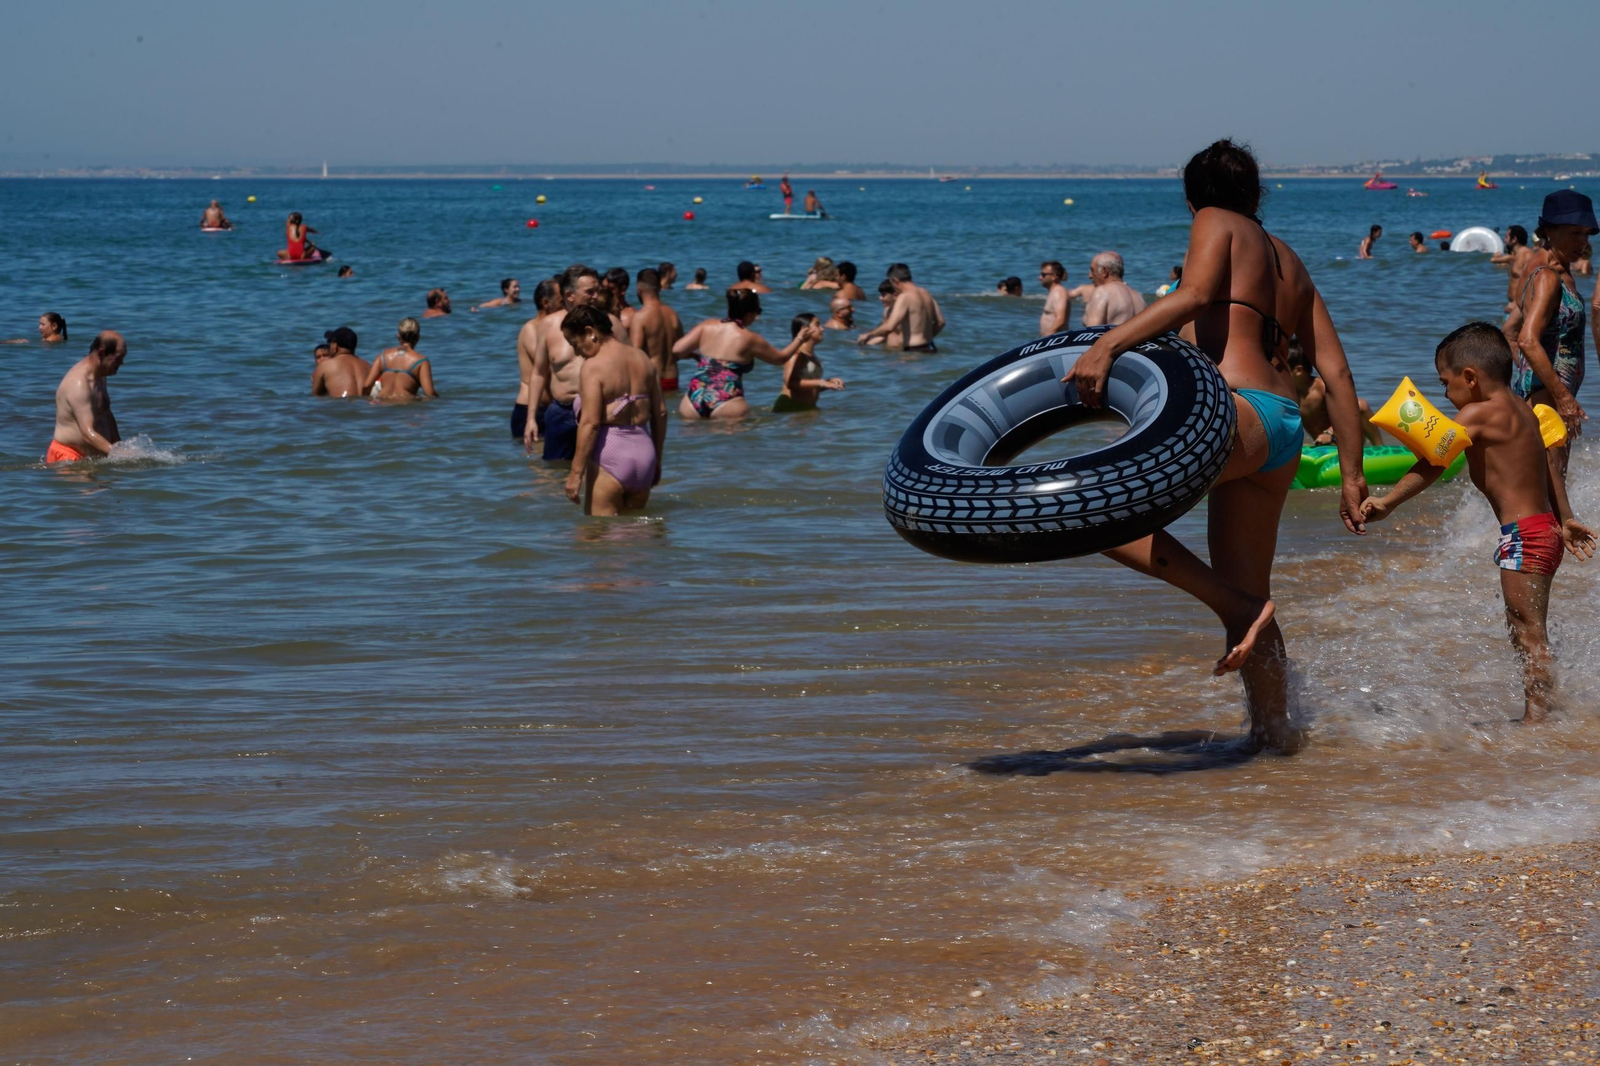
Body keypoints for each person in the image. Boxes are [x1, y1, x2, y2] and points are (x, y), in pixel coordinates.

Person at [1062, 138, 1369, 753]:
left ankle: (1235, 608)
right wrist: (1352, 475)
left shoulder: (1214, 221)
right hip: (1280, 427)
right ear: (1257, 192)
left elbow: (1196, 296)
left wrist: (1106, 346)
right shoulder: (1290, 261)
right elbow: (1336, 373)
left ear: (1191, 195)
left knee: (1087, 507)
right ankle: (1274, 736)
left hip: (1236, 412)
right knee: (1252, 590)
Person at [1360, 323, 1595, 722]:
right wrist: (1566, 519)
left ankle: (1538, 720)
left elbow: (1434, 462)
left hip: (1525, 536)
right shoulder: (1524, 409)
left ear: (1470, 378)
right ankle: (1547, 710)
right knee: (1527, 628)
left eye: (1445, 384)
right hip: (1545, 531)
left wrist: (1388, 502)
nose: (1444, 395)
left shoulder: (1478, 414)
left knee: (1527, 632)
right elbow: (1550, 467)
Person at [1514, 190, 1595, 477]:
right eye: (1574, 233)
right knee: (1552, 481)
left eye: (1587, 233)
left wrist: (1523, 376)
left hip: (1546, 392)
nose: (1583, 242)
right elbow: (1526, 339)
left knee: (1549, 483)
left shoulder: (1558, 271)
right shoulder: (1547, 275)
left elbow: (1510, 329)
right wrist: (1559, 396)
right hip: (1548, 397)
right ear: (1548, 230)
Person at [562, 305, 667, 516]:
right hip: (645, 454)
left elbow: (590, 424)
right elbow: (661, 413)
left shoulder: (594, 366)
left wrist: (575, 473)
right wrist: (656, 460)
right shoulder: (643, 359)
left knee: (597, 539)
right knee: (634, 540)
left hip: (611, 456)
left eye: (575, 343)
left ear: (590, 332)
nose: (576, 352)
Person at [672, 288, 816, 419]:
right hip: (726, 400)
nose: (757, 317)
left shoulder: (706, 325)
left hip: (693, 398)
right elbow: (780, 358)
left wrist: (697, 356)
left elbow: (677, 350)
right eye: (757, 312)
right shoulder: (749, 338)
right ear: (748, 313)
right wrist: (799, 338)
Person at [526, 264, 622, 459]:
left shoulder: (610, 323)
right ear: (570, 295)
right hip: (562, 412)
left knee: (600, 472)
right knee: (554, 474)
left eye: (597, 291)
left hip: (600, 410)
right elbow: (538, 373)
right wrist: (531, 419)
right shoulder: (548, 325)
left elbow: (631, 364)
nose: (596, 296)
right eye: (590, 292)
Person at [47, 332, 126, 463]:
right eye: (118, 358)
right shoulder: (79, 384)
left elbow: (106, 413)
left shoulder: (100, 375)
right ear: (101, 353)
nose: (122, 363)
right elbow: (87, 434)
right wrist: (119, 454)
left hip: (90, 457)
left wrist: (119, 445)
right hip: (68, 457)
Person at [1287, 338, 1380, 446]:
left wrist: (1329, 433)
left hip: (1341, 440)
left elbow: (1349, 411)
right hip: (1319, 445)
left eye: (1282, 368)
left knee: (1360, 405)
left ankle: (1379, 447)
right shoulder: (1288, 393)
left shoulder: (1323, 387)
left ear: (1298, 370)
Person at [512, 279, 564, 441]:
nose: (564, 307)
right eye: (561, 302)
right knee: (536, 463)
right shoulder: (531, 329)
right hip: (530, 410)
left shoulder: (553, 330)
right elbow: (546, 365)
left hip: (549, 410)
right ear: (546, 303)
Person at [859, 263, 943, 352]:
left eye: (892, 283)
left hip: (914, 351)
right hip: (931, 347)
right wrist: (927, 339)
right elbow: (941, 322)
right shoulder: (926, 293)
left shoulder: (904, 297)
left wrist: (869, 334)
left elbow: (889, 326)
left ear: (895, 281)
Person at [773, 312, 845, 413]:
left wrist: (830, 382)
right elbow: (790, 383)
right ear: (804, 329)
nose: (822, 329)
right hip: (790, 408)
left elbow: (808, 387)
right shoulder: (797, 354)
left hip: (806, 409)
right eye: (817, 324)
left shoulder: (812, 356)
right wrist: (822, 382)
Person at [629, 267, 684, 390]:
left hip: (652, 379)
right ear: (659, 288)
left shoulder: (639, 317)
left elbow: (636, 355)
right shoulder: (672, 314)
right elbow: (682, 349)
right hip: (672, 378)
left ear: (639, 289)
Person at [361, 317, 438, 400]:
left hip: (382, 408)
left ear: (398, 336)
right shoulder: (421, 361)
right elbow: (429, 394)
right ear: (418, 338)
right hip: (406, 409)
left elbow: (366, 386)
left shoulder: (382, 356)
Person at [1079, 251, 1147, 327]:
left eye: (1092, 270)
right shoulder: (1139, 297)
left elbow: (1092, 333)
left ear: (1104, 271)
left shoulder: (1102, 292)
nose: (1090, 276)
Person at [311, 326, 371, 398]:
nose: (329, 345)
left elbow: (315, 396)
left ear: (335, 346)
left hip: (341, 406)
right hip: (365, 408)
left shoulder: (325, 366)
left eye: (330, 342)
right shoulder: (368, 366)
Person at [863, 279, 904, 350]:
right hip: (889, 353)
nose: (880, 298)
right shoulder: (887, 311)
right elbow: (884, 335)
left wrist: (869, 334)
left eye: (883, 295)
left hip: (902, 354)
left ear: (895, 295)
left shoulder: (904, 311)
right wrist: (867, 344)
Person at [1038, 260, 1071, 333]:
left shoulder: (1059, 292)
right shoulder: (1054, 292)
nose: (1040, 278)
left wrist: (1045, 337)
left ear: (1054, 276)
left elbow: (1060, 320)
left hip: (1055, 339)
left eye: (1043, 275)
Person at [2, 312, 68, 345]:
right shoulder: (60, 337)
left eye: (43, 325)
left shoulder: (50, 341)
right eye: (39, 324)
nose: (39, 327)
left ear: (54, 326)